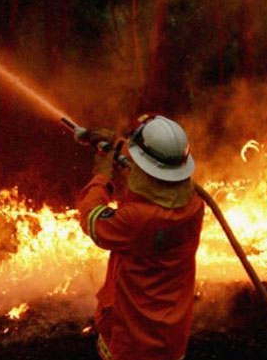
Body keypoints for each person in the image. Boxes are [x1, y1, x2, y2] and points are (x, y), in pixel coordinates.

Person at [76, 115, 205, 360]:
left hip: (133, 342)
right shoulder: (194, 205)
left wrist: (102, 174)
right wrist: (117, 144)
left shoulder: (136, 220)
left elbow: (92, 219)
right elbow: (158, 179)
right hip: (171, 337)